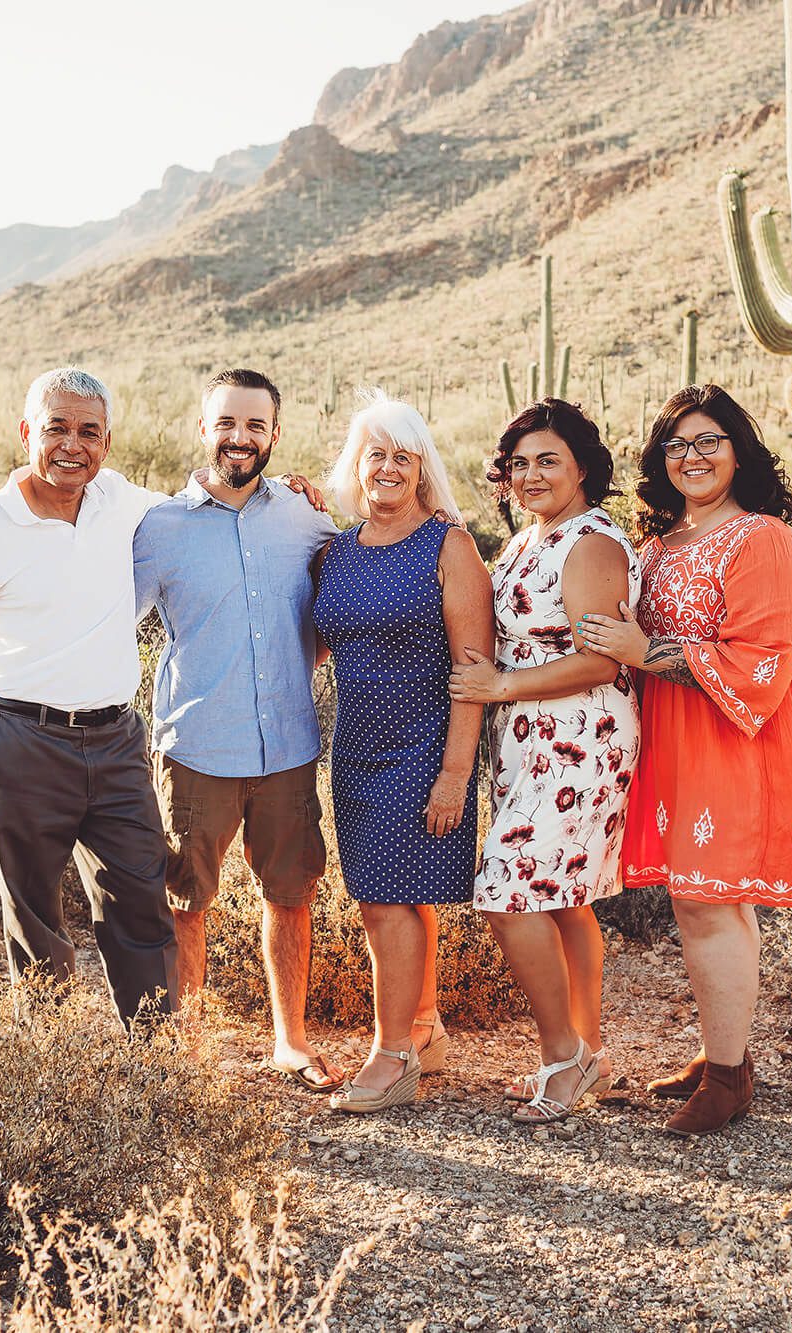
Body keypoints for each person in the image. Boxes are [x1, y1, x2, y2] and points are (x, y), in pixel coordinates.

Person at [577, 384, 792, 1137]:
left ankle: (726, 1079)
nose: (692, 456)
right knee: (712, 900)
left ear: (739, 451)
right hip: (676, 735)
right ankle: (724, 1055)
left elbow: (766, 659)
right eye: (677, 444)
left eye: (709, 441)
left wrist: (645, 651)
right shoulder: (660, 546)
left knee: (706, 902)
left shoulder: (761, 538)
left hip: (736, 737)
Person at [0, 367, 180, 1026]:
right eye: (56, 427)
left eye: (88, 431)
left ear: (107, 443)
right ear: (28, 431)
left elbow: (191, 506)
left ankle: (152, 1063)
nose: (72, 444)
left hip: (117, 742)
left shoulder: (119, 500)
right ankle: (51, 1073)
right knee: (34, 917)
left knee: (141, 901)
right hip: (24, 742)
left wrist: (284, 490)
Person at [132, 368, 345, 1089]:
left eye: (256, 425)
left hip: (286, 745)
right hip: (195, 747)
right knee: (184, 898)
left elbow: (335, 610)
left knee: (291, 893)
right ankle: (186, 1051)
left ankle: (290, 1040)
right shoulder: (158, 528)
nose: (241, 437)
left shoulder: (307, 518)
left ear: (275, 435)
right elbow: (109, 620)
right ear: (203, 429)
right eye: (227, 422)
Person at [447, 399, 639, 1124]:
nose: (529, 475)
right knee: (563, 897)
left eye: (547, 460)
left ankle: (562, 1055)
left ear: (582, 467)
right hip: (528, 740)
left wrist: (502, 685)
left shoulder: (590, 544)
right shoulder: (528, 541)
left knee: (505, 888)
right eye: (518, 463)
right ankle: (590, 1048)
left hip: (581, 735)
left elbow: (598, 659)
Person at [312, 391, 493, 1114]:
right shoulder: (336, 550)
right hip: (353, 749)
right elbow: (323, 639)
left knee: (389, 902)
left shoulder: (448, 544)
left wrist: (455, 772)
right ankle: (424, 1032)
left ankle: (391, 1057)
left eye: (402, 456)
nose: (387, 467)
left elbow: (473, 668)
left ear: (422, 469)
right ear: (357, 465)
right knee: (381, 900)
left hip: (422, 748)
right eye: (374, 454)